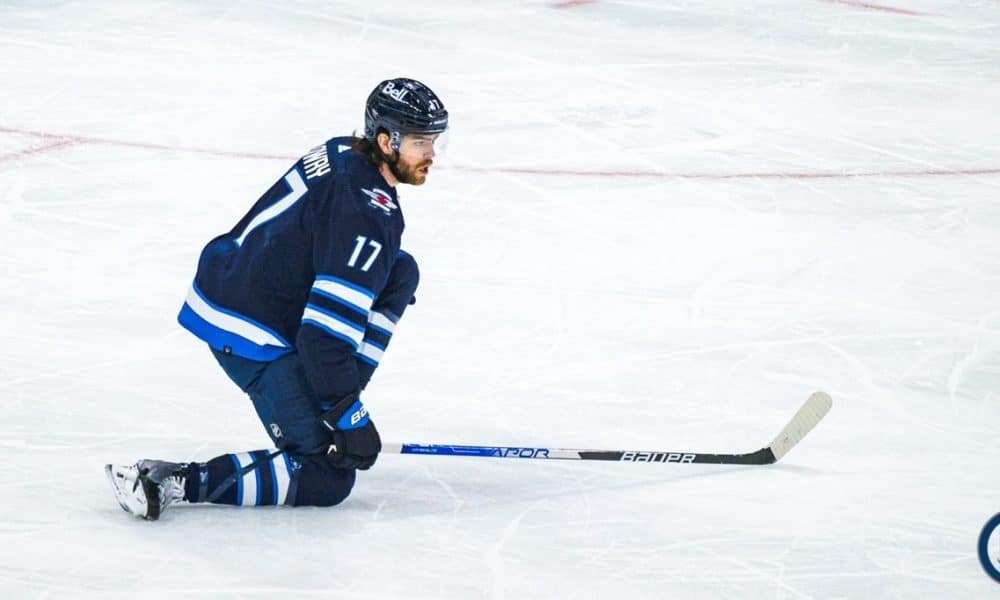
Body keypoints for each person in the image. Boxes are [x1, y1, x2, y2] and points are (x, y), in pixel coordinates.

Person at [105, 78, 448, 520]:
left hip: (237, 281)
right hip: (249, 325)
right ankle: (172, 479)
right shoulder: (367, 214)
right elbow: (323, 339)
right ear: (386, 141)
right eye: (421, 142)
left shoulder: (345, 151)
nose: (432, 153)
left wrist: (341, 406)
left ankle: (327, 402)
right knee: (327, 477)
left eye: (434, 140)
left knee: (400, 271)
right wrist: (348, 416)